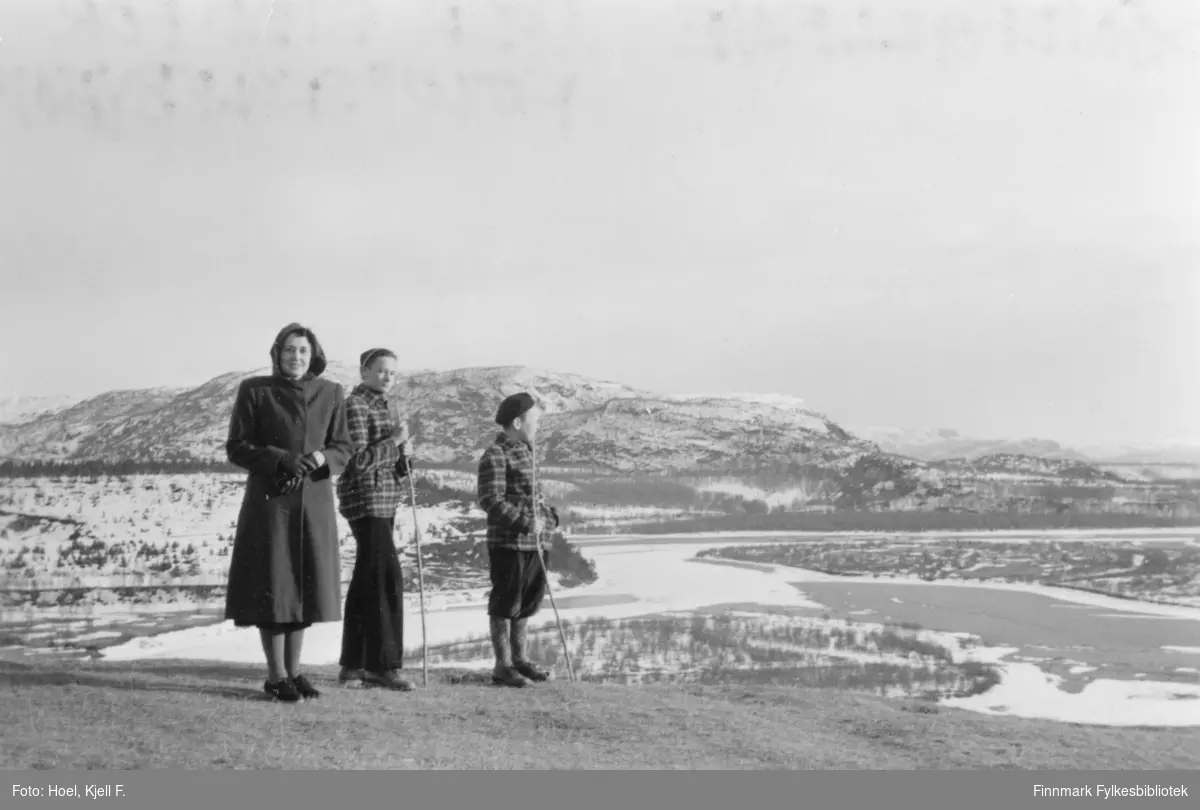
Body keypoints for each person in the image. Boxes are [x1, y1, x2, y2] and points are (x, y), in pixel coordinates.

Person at [224, 322, 353, 702]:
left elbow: (343, 447)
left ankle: (295, 672)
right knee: (275, 588)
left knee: (303, 589)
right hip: (271, 503)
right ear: (277, 354)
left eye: (303, 350)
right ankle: (276, 675)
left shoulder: (331, 392)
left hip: (313, 503)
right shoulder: (255, 391)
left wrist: (319, 459)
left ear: (313, 356)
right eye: (289, 350)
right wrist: (280, 459)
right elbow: (237, 446)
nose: (296, 357)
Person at [334, 347, 417, 691]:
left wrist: (406, 456)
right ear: (364, 372)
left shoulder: (383, 407)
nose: (387, 377)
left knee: (368, 580)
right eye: (381, 371)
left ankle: (354, 665)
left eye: (392, 373)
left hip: (383, 500)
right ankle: (384, 665)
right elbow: (356, 461)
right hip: (366, 499)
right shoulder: (356, 405)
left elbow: (391, 464)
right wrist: (395, 442)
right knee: (386, 578)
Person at [476, 392, 561, 688]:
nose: (537, 425)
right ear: (517, 421)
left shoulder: (527, 451)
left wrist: (550, 518)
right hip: (510, 542)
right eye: (534, 419)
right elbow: (491, 500)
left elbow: (534, 496)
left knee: (526, 601)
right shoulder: (496, 455)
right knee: (505, 602)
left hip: (536, 543)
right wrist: (526, 523)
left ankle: (520, 660)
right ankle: (503, 665)